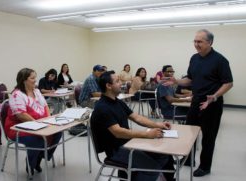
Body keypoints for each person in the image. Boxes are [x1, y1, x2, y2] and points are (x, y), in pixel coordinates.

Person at [163, 29, 233, 177]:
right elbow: (190, 79)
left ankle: (205, 166)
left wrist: (214, 96)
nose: (196, 44)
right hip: (195, 103)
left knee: (208, 137)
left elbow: (228, 83)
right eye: (195, 41)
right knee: (190, 133)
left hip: (212, 104)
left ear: (210, 42)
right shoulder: (194, 58)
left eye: (199, 41)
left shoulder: (220, 60)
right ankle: (188, 160)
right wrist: (176, 81)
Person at [91, 71, 174, 181]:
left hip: (128, 143)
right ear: (108, 86)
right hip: (116, 150)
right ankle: (143, 174)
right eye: (117, 81)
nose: (121, 83)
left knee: (164, 155)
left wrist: (157, 124)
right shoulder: (103, 107)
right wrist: (147, 134)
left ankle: (132, 176)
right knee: (152, 167)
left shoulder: (117, 102)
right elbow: (118, 132)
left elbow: (137, 117)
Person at [5, 68, 62, 175]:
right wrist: (39, 124)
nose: (35, 80)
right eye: (32, 78)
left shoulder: (36, 91)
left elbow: (45, 106)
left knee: (58, 132)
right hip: (18, 127)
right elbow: (21, 115)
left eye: (35, 77)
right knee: (38, 140)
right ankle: (31, 163)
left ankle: (39, 157)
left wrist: (49, 120)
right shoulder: (16, 94)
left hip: (41, 123)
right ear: (23, 80)